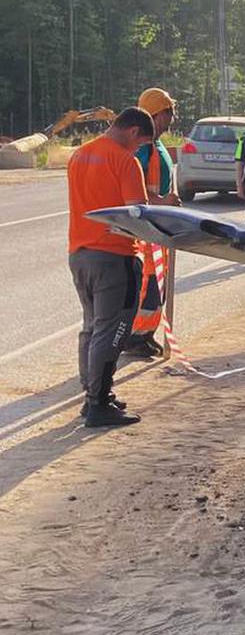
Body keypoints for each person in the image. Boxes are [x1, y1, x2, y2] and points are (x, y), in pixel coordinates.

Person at [67, 107, 155, 427]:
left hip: (80, 253)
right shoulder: (124, 160)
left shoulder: (80, 155)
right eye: (141, 144)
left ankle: (92, 393)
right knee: (113, 328)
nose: (138, 150)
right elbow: (137, 215)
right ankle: (98, 404)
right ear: (133, 132)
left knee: (92, 326)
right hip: (114, 257)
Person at [123, 87, 181, 359]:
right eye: (169, 112)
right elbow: (137, 190)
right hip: (146, 228)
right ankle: (135, 337)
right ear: (156, 115)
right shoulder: (143, 149)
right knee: (147, 285)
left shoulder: (157, 146)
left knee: (157, 284)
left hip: (159, 227)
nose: (173, 118)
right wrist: (163, 202)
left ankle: (146, 334)